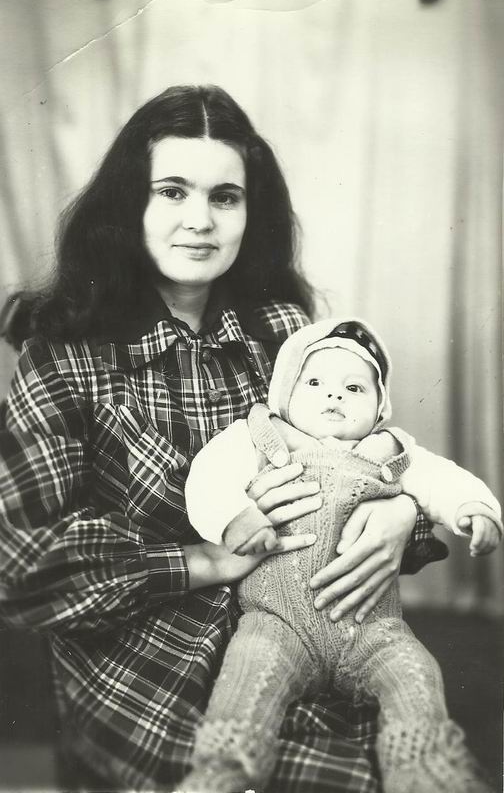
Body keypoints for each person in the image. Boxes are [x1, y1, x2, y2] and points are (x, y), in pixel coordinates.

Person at [0, 84, 445, 792]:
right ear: (128, 204)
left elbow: (363, 461)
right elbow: (24, 569)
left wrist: (403, 515)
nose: (200, 220)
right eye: (172, 191)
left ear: (249, 212)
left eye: (225, 197)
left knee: (405, 769)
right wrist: (206, 560)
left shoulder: (283, 336)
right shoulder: (65, 356)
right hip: (144, 664)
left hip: (300, 631)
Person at [182, 317, 502, 793]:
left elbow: (444, 479)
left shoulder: (389, 451)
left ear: (378, 409)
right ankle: (224, 769)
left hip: (373, 628)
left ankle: (424, 768)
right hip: (278, 621)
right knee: (247, 675)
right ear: (286, 396)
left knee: (416, 674)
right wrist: (235, 518)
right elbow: (209, 477)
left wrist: (473, 508)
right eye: (314, 383)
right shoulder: (261, 437)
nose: (334, 395)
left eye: (354, 388)